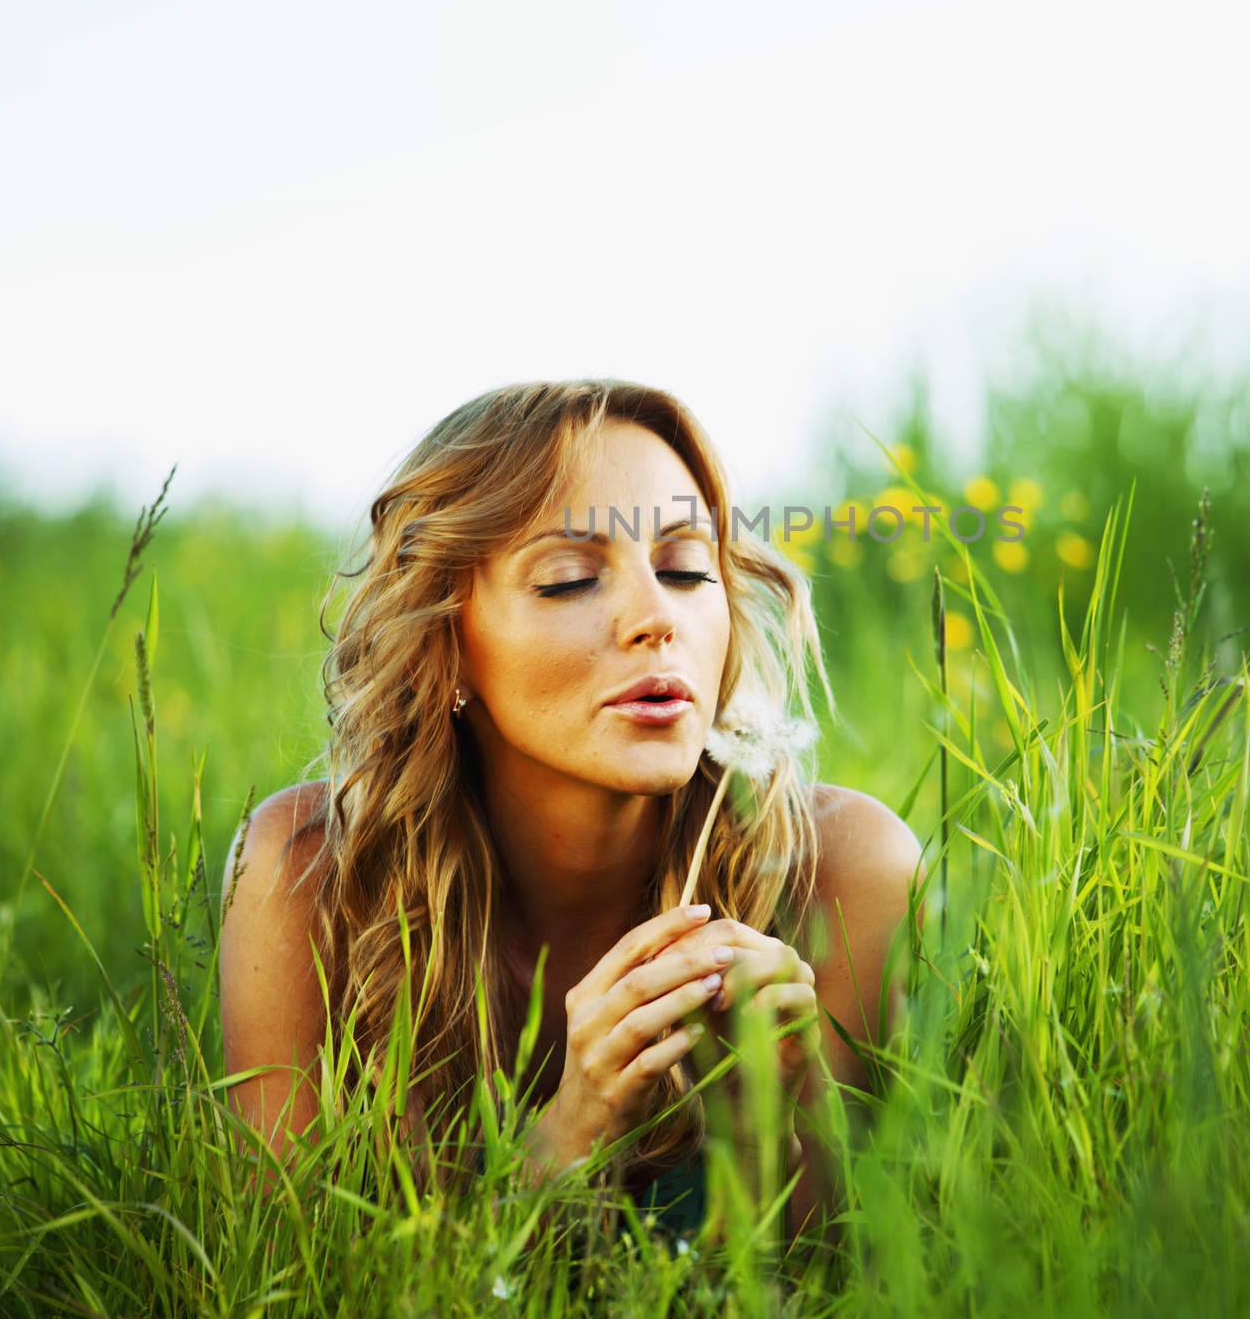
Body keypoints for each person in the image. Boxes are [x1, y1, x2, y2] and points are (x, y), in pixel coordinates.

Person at [218, 378, 926, 1246]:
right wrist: (568, 1139)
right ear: (443, 649)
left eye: (685, 570)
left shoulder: (844, 873)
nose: (656, 619)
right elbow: (289, 1283)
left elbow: (841, 1282)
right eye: (567, 580)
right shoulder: (309, 877)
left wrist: (780, 1117)